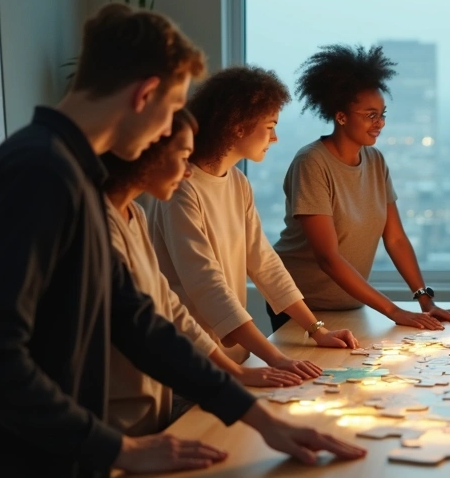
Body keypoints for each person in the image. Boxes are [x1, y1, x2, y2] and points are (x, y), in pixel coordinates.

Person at [0, 4, 364, 478]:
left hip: (49, 471)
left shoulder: (75, 176)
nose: (171, 132)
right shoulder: (40, 176)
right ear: (144, 94)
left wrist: (260, 420)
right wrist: (122, 449)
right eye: (172, 108)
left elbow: (139, 320)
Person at [103, 108, 306, 436]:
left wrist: (235, 373)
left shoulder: (136, 215)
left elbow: (170, 306)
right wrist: (244, 373)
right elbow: (162, 317)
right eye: (183, 156)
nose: (187, 171)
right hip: (120, 409)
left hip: (160, 395)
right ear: (146, 150)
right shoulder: (103, 223)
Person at [148, 66, 358, 378]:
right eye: (270, 126)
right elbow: (206, 284)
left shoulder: (237, 182)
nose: (274, 137)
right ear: (237, 126)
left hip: (236, 358)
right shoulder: (180, 188)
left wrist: (316, 330)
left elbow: (264, 263)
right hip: (190, 361)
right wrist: (276, 357)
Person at [271, 44, 450, 332]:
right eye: (370, 115)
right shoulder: (311, 163)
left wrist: (425, 300)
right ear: (341, 116)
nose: (380, 123)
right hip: (301, 307)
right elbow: (328, 258)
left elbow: (395, 238)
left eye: (383, 114)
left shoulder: (375, 161)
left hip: (350, 305)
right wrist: (394, 312)